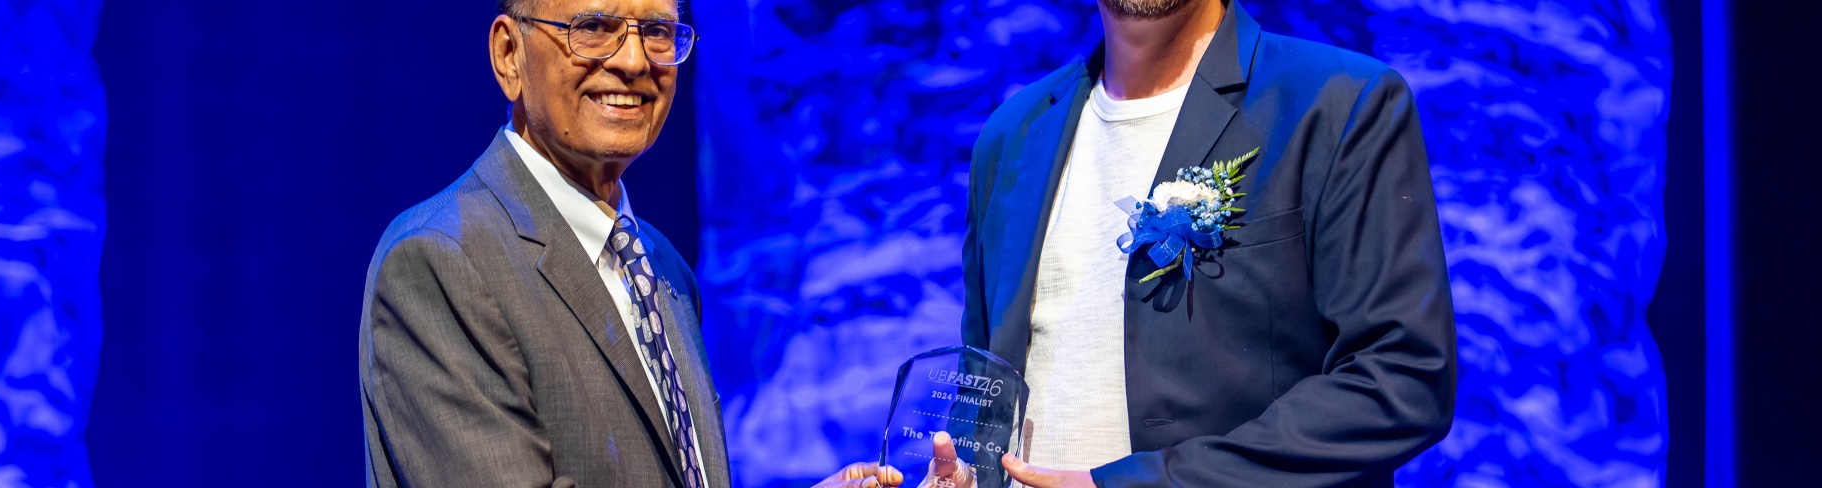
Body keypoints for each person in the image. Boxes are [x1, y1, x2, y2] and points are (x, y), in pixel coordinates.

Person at [358, 1, 900, 486]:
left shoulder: (661, 265)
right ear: (509, 54)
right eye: (595, 27)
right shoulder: (440, 260)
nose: (635, 62)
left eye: (659, 32)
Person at [952, 0, 1458, 486]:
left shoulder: (1339, 103)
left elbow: (1401, 378)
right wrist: (951, 474)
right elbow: (980, 394)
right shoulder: (1010, 136)